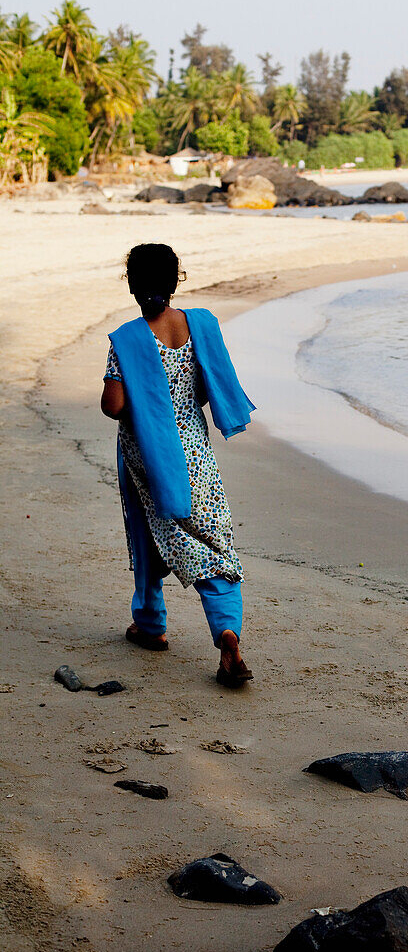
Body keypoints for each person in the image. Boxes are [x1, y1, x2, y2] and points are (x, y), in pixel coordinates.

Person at [101, 243, 256, 687]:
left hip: (148, 454)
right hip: (195, 451)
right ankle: (227, 630)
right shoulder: (199, 325)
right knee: (210, 536)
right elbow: (209, 380)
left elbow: (113, 405)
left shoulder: (129, 339)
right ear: (175, 282)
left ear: (132, 285)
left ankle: (150, 625)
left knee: (151, 530)